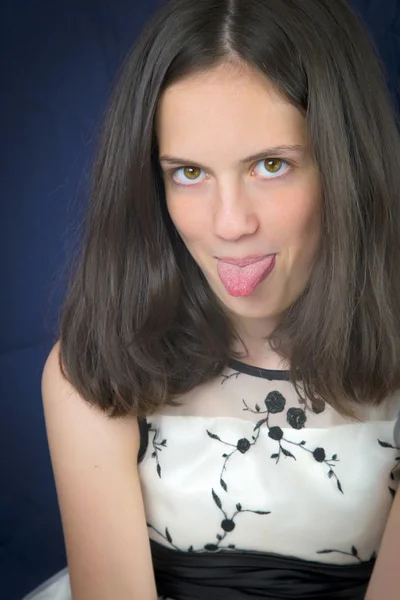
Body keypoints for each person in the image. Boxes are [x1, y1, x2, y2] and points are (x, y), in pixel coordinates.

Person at [30, 0, 400, 598]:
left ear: (346, 165)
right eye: (190, 173)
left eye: (271, 165)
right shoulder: (93, 372)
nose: (230, 225)